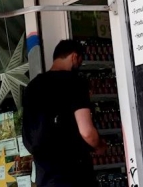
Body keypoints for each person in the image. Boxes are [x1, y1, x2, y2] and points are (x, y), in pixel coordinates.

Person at [22, 40, 106, 187]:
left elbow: (27, 137)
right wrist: (100, 146)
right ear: (74, 57)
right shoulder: (74, 82)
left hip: (46, 178)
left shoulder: (32, 87)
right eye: (80, 61)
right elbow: (86, 132)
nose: (79, 66)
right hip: (73, 176)